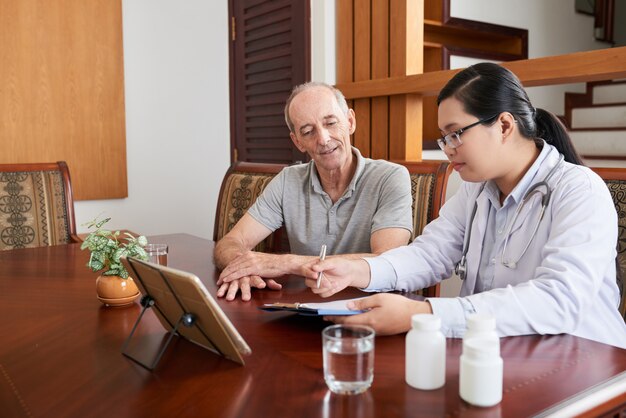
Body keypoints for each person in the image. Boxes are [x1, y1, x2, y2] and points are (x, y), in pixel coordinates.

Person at [303, 63, 626, 349]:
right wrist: (355, 270)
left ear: (503, 125)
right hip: (498, 351)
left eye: (455, 134)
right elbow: (429, 254)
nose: (447, 150)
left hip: (581, 357)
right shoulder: (476, 190)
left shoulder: (579, 189)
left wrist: (423, 312)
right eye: (443, 138)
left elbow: (560, 300)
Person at [215, 82, 413, 301]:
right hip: (305, 306)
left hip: (369, 306)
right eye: (308, 131)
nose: (323, 139)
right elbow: (229, 243)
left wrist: (286, 263)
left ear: (350, 121)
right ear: (297, 141)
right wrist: (242, 269)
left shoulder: (390, 177)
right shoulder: (287, 180)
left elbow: (386, 259)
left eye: (331, 123)